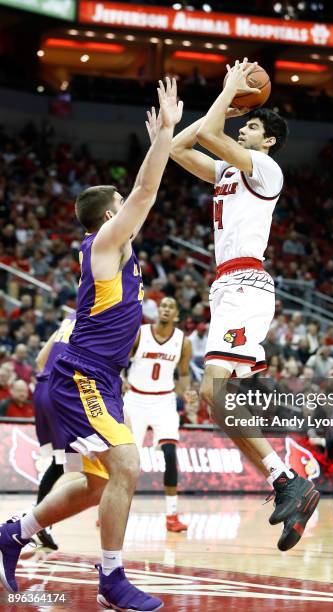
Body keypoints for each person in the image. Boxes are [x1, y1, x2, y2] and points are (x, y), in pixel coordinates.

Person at [0, 77, 183, 611]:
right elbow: (147, 191)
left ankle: (14, 531)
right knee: (127, 466)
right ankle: (111, 580)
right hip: (80, 375)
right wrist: (163, 137)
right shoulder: (104, 243)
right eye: (121, 204)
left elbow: (143, 196)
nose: (131, 208)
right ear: (110, 215)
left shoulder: (118, 252)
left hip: (97, 377)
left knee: (95, 485)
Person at [169, 58, 320, 551]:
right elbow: (176, 147)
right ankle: (285, 483)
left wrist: (229, 94)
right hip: (227, 290)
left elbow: (211, 131)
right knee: (217, 404)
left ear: (269, 140)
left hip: (246, 285)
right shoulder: (226, 170)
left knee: (214, 396)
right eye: (245, 123)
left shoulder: (267, 169)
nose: (244, 127)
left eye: (252, 125)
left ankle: (288, 480)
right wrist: (228, 104)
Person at [124, 297, 192, 533]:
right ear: (157, 311)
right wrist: (120, 379)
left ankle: (172, 515)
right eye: (163, 306)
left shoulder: (183, 341)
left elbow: (183, 375)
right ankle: (116, 509)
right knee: (126, 461)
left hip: (164, 400)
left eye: (170, 307)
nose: (165, 309)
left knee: (171, 453)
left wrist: (189, 397)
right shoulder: (140, 333)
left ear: (176, 315)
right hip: (135, 399)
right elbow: (122, 359)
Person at [32, 313, 76, 551]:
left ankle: (38, 521)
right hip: (60, 392)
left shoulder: (68, 318)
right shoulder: (97, 321)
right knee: (73, 465)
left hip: (41, 390)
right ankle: (35, 521)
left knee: (64, 463)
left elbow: (40, 360)